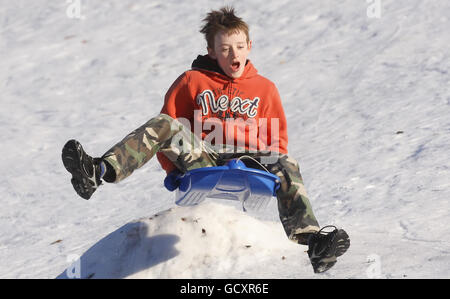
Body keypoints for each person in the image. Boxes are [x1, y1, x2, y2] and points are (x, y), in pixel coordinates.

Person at [61, 6, 350, 273]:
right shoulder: (192, 81)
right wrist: (174, 171)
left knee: (286, 161)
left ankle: (313, 241)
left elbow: (277, 140)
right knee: (162, 124)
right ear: (212, 51)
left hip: (251, 160)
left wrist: (272, 170)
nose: (233, 54)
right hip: (205, 157)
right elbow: (169, 125)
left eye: (238, 47)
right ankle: (97, 171)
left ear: (249, 47)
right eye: (224, 49)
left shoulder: (265, 89)